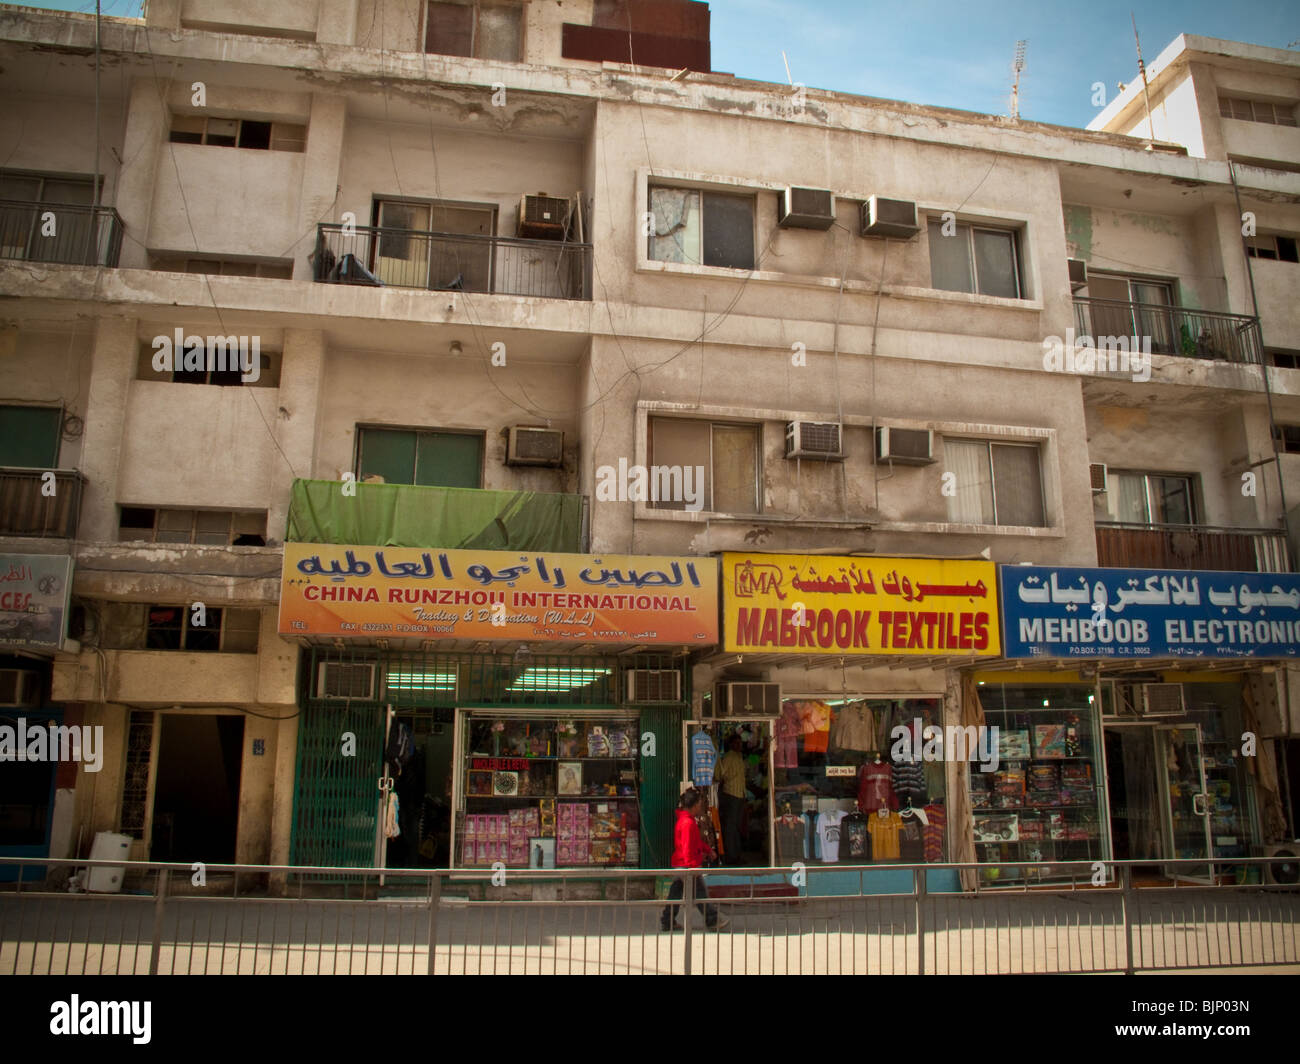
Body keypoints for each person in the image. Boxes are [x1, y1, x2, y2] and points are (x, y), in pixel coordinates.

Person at [660, 788, 729, 931]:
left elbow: (695, 842)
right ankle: (712, 920)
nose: (700, 806)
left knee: (675, 894)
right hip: (687, 865)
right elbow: (687, 849)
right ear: (695, 805)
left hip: (682, 864)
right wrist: (694, 867)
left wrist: (708, 850)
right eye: (699, 803)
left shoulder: (686, 821)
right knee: (700, 894)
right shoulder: (687, 823)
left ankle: (668, 920)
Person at [715, 735, 746, 865]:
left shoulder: (739, 757)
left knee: (736, 827)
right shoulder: (728, 757)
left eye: (740, 743)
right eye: (736, 743)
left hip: (740, 795)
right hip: (731, 794)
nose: (739, 745)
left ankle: (736, 855)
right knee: (730, 827)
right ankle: (730, 856)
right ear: (731, 744)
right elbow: (721, 774)